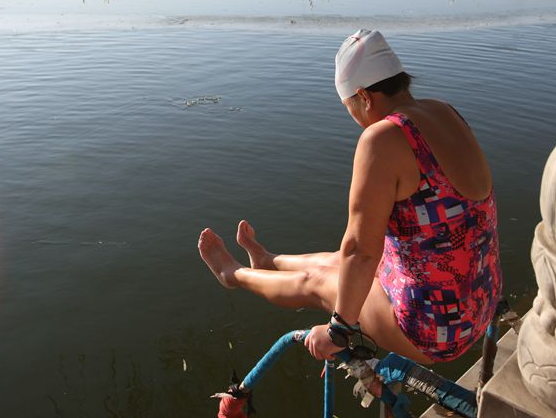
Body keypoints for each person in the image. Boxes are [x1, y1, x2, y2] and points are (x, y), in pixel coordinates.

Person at [198, 29, 501, 364]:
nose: (354, 117)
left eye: (349, 107)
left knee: (318, 281)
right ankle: (269, 261)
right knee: (337, 261)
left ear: (364, 96)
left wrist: (337, 331)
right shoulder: (444, 111)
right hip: (479, 300)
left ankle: (232, 274)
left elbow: (361, 250)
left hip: (439, 330)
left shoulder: (383, 138)